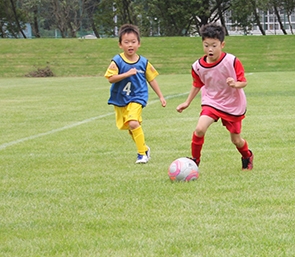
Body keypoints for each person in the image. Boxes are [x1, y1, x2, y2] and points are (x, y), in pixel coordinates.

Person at [176, 23, 253, 170]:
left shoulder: (231, 61)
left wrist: (235, 84)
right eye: (206, 45)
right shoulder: (197, 66)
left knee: (236, 140)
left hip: (232, 104)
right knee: (199, 129)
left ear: (222, 44)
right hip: (211, 101)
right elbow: (197, 84)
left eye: (214, 45)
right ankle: (194, 161)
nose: (210, 49)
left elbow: (243, 82)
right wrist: (187, 102)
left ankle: (247, 155)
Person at [105, 24, 166, 164]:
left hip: (138, 97)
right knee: (130, 128)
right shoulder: (117, 61)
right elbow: (110, 78)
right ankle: (144, 148)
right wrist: (126, 74)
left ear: (139, 43)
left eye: (133, 42)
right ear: (120, 44)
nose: (130, 45)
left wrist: (161, 96)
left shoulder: (144, 63)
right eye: (126, 42)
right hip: (121, 98)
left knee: (133, 123)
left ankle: (141, 155)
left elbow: (152, 79)